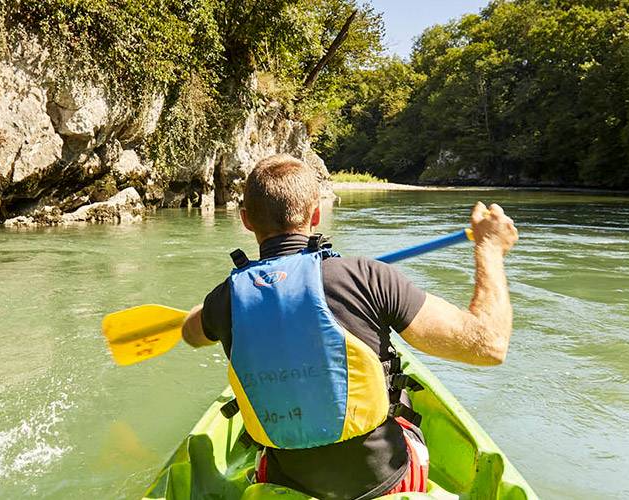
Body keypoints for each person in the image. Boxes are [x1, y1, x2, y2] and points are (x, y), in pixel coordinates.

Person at [179, 154, 519, 499]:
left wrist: (208, 311)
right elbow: (489, 345)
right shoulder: (366, 277)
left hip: (285, 485)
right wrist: (490, 248)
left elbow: (191, 334)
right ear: (315, 214)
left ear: (247, 221)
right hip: (385, 479)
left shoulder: (225, 301)